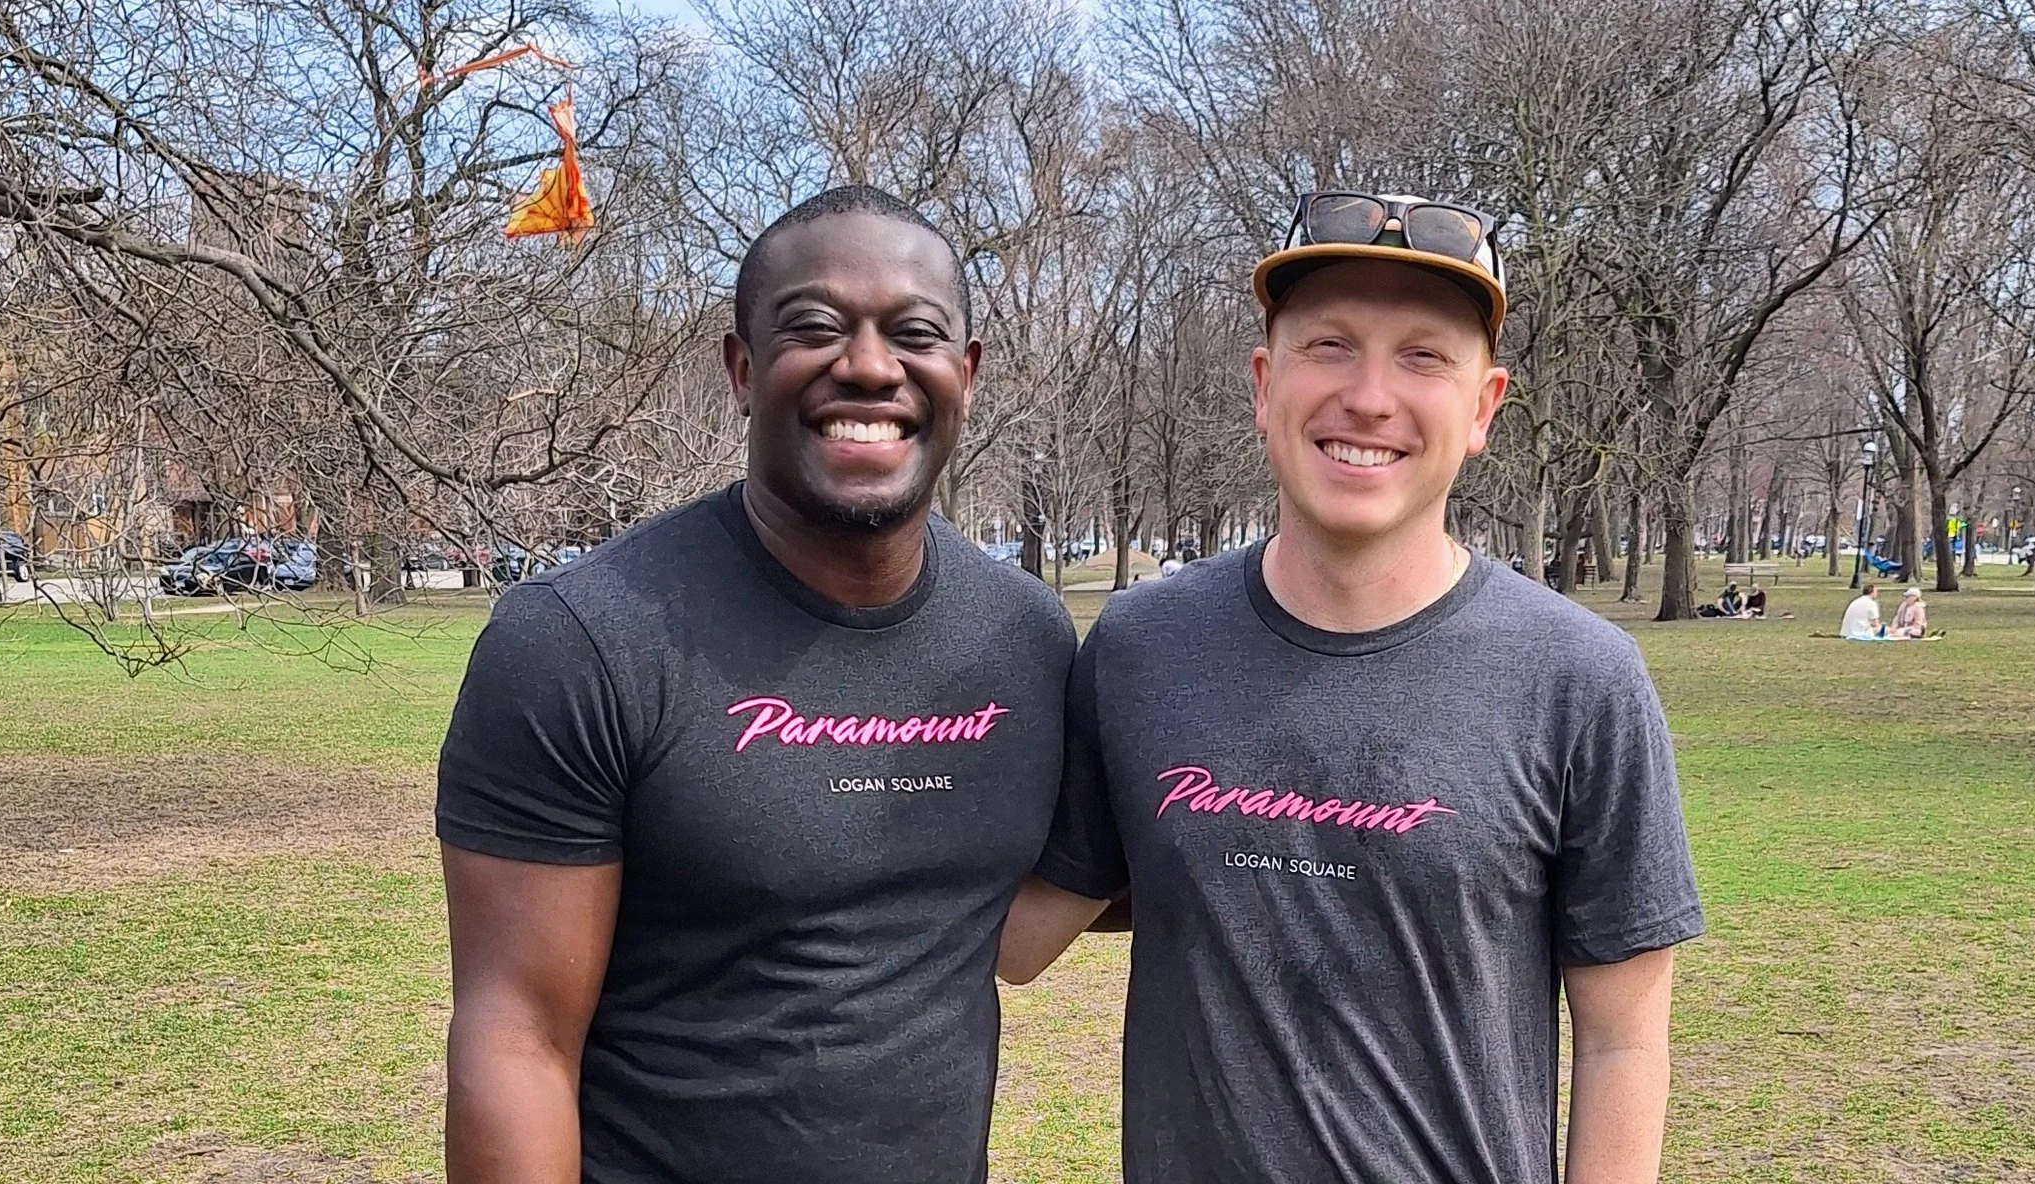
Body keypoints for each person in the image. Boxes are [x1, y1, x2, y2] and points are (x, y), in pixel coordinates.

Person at [998, 190, 1704, 1182]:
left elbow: (1623, 1040)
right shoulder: (1139, 649)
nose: (1369, 396)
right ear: (1264, 383)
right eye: (1329, 345)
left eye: (1423, 356)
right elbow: (1016, 939)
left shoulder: (1581, 679)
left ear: (1482, 407)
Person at [435, 186, 1075, 1184]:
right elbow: (518, 1039)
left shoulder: (1023, 638)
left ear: (967, 371)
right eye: (815, 327)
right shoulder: (576, 642)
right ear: (742, 369)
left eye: (915, 333)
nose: (870, 366)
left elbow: (1140, 858)